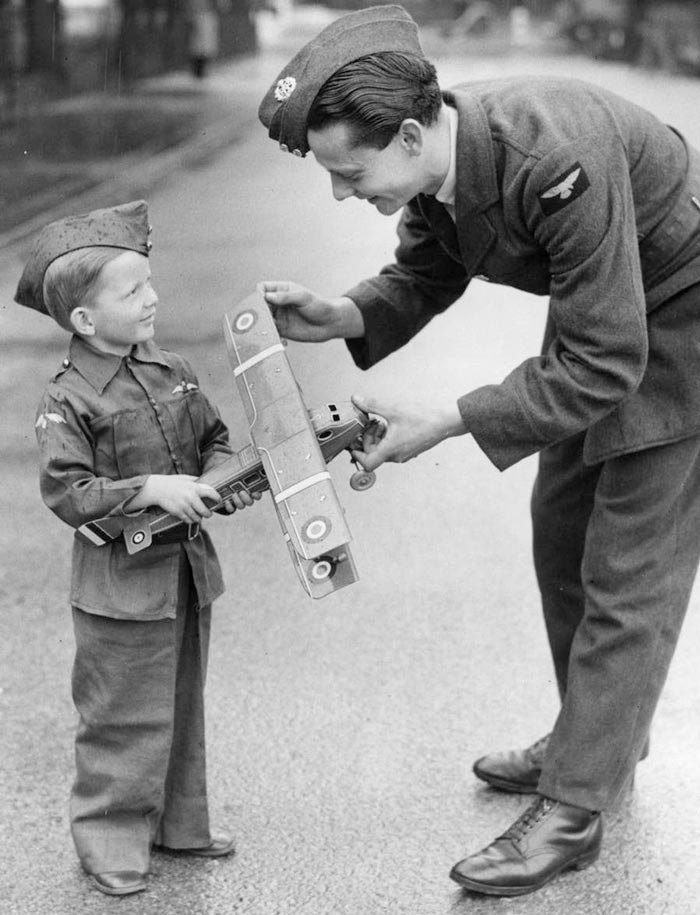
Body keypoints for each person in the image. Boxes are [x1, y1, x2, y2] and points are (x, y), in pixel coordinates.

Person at [255, 3, 700, 898]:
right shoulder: (443, 161)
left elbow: (609, 360)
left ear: (413, 132)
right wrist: (344, 313)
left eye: (350, 172)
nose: (343, 194)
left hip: (680, 319)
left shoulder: (553, 156)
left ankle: (576, 806)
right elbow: (430, 266)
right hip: (609, 318)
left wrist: (448, 418)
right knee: (561, 523)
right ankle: (598, 732)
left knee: (629, 564)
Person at [15, 200, 256, 897]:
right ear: (85, 320)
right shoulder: (67, 401)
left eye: (151, 283)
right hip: (119, 588)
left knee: (183, 703)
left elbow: (214, 438)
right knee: (121, 714)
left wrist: (217, 480)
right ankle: (109, 839)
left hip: (183, 575)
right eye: (133, 291)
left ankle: (181, 822)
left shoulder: (172, 369)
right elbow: (69, 491)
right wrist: (151, 485)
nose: (153, 298)